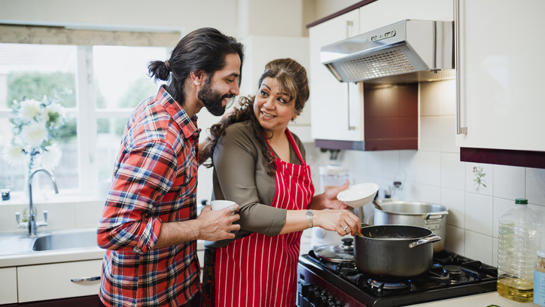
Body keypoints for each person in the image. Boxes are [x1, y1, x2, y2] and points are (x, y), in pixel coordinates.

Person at [96, 27, 244, 307]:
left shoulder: (168, 112)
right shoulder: (162, 140)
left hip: (176, 285)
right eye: (230, 79)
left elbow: (170, 172)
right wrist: (200, 228)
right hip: (147, 298)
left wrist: (213, 140)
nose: (235, 90)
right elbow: (115, 229)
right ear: (197, 76)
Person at [202, 58, 361, 307]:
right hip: (241, 269)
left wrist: (320, 203)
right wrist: (316, 217)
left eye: (282, 99)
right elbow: (245, 213)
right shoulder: (237, 137)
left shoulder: (295, 143)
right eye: (264, 93)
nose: (268, 105)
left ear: (296, 110)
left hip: (281, 269)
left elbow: (284, 204)